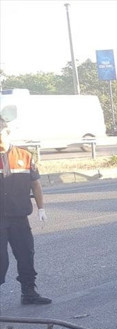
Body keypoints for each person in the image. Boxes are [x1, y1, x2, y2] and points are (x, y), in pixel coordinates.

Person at [0, 117, 51, 304]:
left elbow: (35, 184)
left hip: (19, 216)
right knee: (0, 261)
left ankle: (29, 293)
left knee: (26, 254)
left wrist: (41, 208)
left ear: (7, 133)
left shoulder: (25, 156)